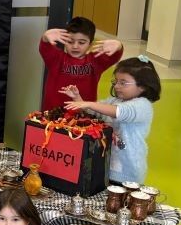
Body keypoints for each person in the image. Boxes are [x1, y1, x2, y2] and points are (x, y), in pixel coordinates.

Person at [62, 56, 161, 184]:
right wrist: (78, 98)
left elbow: (120, 111)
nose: (117, 86)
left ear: (142, 86)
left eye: (123, 83)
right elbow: (94, 111)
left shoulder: (143, 105)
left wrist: (88, 104)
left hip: (128, 172)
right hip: (107, 165)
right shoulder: (114, 101)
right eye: (116, 81)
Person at [39, 16, 123, 110]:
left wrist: (118, 46)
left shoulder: (95, 61)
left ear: (90, 44)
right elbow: (45, 48)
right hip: (53, 112)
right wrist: (45, 37)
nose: (75, 46)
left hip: (84, 113)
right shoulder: (57, 58)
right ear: (65, 41)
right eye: (70, 41)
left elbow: (114, 55)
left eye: (81, 42)